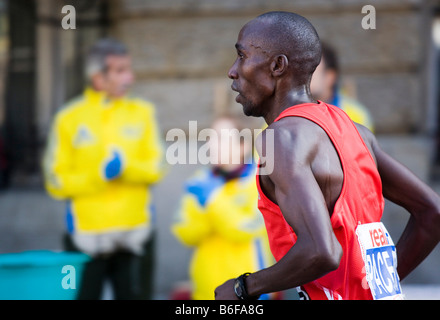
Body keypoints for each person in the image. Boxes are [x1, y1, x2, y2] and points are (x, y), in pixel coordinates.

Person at [215, 11, 440, 300]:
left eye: (242, 56)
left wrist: (243, 287)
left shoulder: (280, 139)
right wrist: (378, 285)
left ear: (277, 66)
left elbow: (321, 251)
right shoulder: (356, 131)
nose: (233, 71)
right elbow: (432, 213)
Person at [43, 38, 165, 300]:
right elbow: (55, 180)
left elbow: (157, 167)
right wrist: (97, 176)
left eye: (129, 69)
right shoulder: (68, 118)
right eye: (120, 70)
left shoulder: (142, 112)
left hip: (135, 236)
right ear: (97, 77)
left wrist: (126, 168)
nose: (129, 78)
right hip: (85, 238)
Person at [172, 114, 274, 300]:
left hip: (250, 291)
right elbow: (184, 232)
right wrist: (214, 213)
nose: (211, 145)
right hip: (205, 290)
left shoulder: (259, 182)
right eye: (210, 137)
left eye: (221, 138)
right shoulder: (201, 180)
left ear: (243, 146)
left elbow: (246, 229)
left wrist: (213, 202)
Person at [310, 42, 374, 131]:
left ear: (330, 76)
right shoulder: (290, 109)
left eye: (312, 69)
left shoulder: (355, 115)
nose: (304, 74)